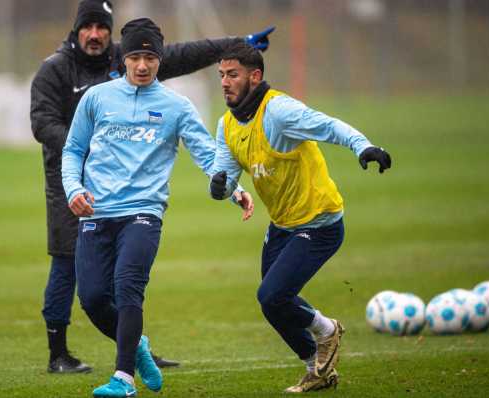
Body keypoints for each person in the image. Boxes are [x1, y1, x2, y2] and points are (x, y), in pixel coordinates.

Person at [30, 0, 273, 373]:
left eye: (101, 28)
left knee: (126, 284)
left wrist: (236, 43)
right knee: (69, 267)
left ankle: (130, 358)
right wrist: (84, 167)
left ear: (112, 35)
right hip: (72, 182)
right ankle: (58, 353)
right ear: (76, 30)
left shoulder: (131, 60)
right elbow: (43, 123)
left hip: (138, 201)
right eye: (87, 27)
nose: (94, 34)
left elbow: (182, 54)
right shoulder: (56, 70)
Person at [209, 42, 392, 393]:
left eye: (232, 75)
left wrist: (364, 146)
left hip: (319, 223)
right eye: (221, 76)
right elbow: (224, 176)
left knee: (272, 296)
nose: (225, 82)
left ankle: (327, 330)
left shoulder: (279, 110)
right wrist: (220, 187)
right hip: (282, 226)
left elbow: (328, 125)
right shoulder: (227, 125)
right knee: (275, 304)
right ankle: (318, 370)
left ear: (255, 76)